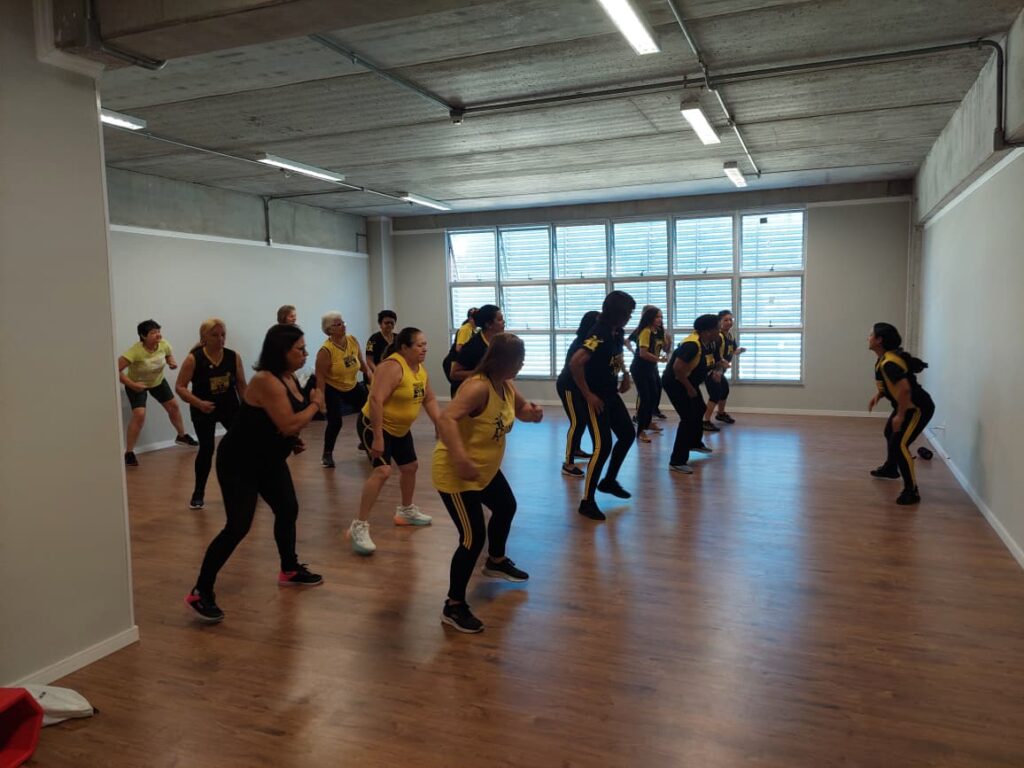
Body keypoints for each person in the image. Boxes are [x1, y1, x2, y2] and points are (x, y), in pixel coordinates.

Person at [185, 324, 325, 624]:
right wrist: (315, 404)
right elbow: (288, 423)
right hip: (239, 463)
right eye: (300, 348)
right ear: (282, 352)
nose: (306, 353)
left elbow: (278, 423)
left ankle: (289, 569)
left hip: (269, 460)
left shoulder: (288, 377)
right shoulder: (266, 380)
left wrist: (291, 440)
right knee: (238, 526)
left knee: (288, 509)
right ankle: (200, 591)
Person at [433, 334, 543, 633]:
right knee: (471, 538)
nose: (521, 365)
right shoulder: (478, 386)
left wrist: (531, 414)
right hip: (457, 474)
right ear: (503, 360)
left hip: (485, 469)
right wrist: (460, 458)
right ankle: (453, 606)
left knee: (506, 506)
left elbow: (519, 410)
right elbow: (446, 419)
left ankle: (495, 561)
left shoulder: (504, 384)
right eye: (519, 360)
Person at [346, 327, 442, 555]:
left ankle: (406, 511)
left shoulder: (418, 369)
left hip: (399, 428)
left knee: (410, 467)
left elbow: (429, 398)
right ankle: (358, 526)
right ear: (404, 347)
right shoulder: (392, 367)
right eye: (419, 345)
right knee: (382, 471)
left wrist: (441, 424)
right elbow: (376, 400)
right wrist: (378, 436)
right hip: (375, 424)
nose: (424, 349)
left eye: (425, 344)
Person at [564, 291, 636, 521]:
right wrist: (588, 394)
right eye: (628, 312)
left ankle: (609, 481)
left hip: (610, 393)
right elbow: (576, 363)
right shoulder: (599, 332)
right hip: (595, 397)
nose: (630, 317)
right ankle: (587, 502)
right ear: (617, 312)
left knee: (627, 434)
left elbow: (616, 356)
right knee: (602, 446)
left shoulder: (617, 332)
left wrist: (626, 374)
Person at [175, 318, 248, 509]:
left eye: (223, 334)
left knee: (241, 447)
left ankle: (245, 488)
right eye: (215, 335)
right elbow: (180, 387)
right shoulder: (194, 358)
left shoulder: (233, 357)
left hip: (230, 407)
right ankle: (198, 492)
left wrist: (248, 409)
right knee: (207, 449)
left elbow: (241, 385)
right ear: (204, 337)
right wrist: (199, 403)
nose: (220, 339)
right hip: (203, 408)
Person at [867, 322, 935, 505]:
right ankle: (890, 468)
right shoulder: (884, 358)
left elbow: (904, 390)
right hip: (907, 405)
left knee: (900, 444)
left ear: (879, 340)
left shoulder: (889, 362)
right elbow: (892, 384)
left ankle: (912, 491)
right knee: (889, 433)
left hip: (917, 408)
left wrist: (900, 415)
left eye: (871, 335)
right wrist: (879, 395)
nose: (868, 338)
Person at [118, 319, 197, 467]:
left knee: (173, 406)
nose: (158, 335)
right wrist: (132, 384)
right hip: (137, 384)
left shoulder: (163, 345)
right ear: (143, 336)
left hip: (158, 382)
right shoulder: (135, 351)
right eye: (153, 332)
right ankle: (129, 453)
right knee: (139, 415)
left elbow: (168, 354)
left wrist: (171, 362)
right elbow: (116, 369)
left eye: (158, 331)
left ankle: (182, 436)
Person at [663, 315, 720, 474]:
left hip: (688, 382)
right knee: (688, 418)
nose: (719, 330)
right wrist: (688, 387)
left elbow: (710, 362)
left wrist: (716, 370)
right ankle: (677, 461)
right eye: (717, 327)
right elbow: (677, 368)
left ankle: (694, 442)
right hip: (676, 383)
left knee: (700, 409)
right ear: (708, 331)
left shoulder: (709, 343)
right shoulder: (691, 344)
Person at [315, 311, 372, 468]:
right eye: (338, 324)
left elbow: (362, 364)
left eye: (343, 323)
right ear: (329, 329)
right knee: (335, 422)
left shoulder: (352, 340)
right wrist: (321, 401)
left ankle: (365, 441)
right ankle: (327, 454)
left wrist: (371, 377)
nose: (343, 326)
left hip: (352, 385)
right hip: (333, 388)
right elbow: (320, 377)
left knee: (370, 411)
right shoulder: (325, 351)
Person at [556, 311, 599, 477]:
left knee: (582, 420)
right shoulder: (580, 344)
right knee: (578, 421)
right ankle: (568, 463)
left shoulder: (591, 341)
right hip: (569, 387)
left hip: (580, 387)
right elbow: (575, 370)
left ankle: (576, 449)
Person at [628, 306, 668, 443]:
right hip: (640, 369)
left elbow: (665, 348)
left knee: (654, 395)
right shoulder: (645, 331)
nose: (660, 319)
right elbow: (643, 353)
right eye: (657, 317)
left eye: (661, 317)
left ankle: (648, 422)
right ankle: (640, 431)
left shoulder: (658, 332)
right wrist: (660, 359)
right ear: (650, 318)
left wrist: (667, 337)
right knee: (645, 399)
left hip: (651, 368)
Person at [450, 305, 505, 396]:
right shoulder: (473, 346)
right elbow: (454, 374)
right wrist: (483, 374)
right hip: (466, 392)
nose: (504, 322)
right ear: (488, 324)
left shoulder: (497, 341)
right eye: (499, 320)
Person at [703, 310, 745, 428]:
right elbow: (714, 354)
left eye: (730, 319)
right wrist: (720, 364)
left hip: (721, 371)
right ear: (719, 322)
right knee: (715, 394)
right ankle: (705, 421)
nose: (729, 322)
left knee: (724, 390)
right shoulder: (718, 337)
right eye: (725, 320)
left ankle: (720, 414)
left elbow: (732, 350)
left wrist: (739, 350)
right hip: (712, 371)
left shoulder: (730, 336)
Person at [441, 307, 478, 389]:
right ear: (470, 319)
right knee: (458, 387)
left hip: (458, 363)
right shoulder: (466, 329)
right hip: (452, 362)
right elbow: (459, 348)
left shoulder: (474, 330)